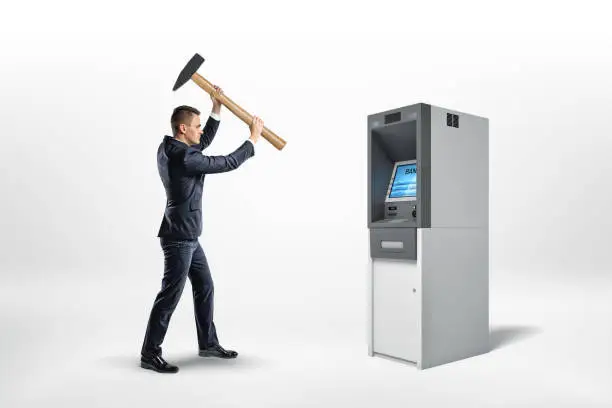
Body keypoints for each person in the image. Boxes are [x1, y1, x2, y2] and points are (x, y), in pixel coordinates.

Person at [140, 85, 264, 373]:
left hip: (188, 236)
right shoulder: (185, 157)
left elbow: (202, 142)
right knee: (169, 295)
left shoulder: (170, 147)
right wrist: (252, 140)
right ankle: (149, 353)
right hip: (180, 238)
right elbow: (226, 162)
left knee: (205, 286)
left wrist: (216, 109)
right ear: (183, 129)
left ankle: (207, 342)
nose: (199, 131)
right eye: (195, 127)